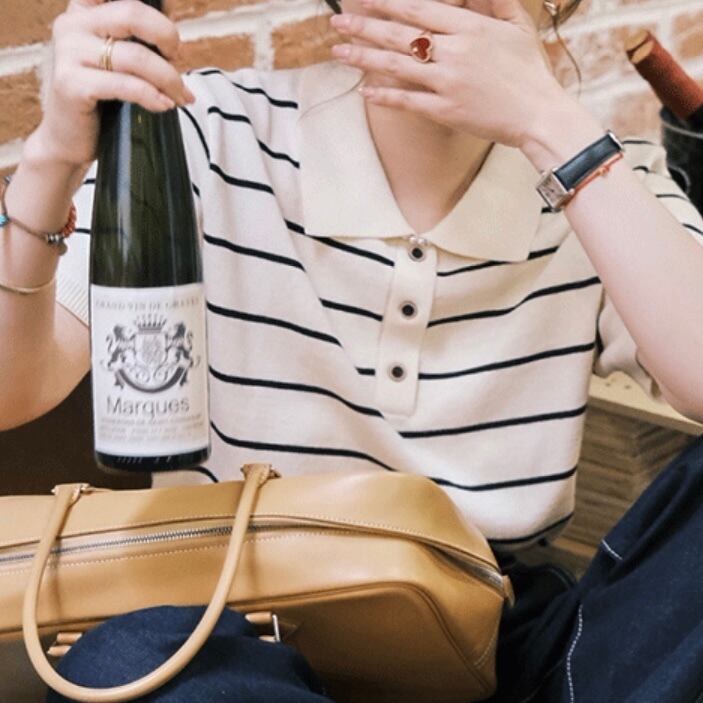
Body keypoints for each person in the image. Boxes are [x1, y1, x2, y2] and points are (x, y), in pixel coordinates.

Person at [2, 0, 703, 700]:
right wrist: (52, 156)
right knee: (132, 660)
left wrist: (550, 126)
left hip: (489, 645)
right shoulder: (207, 128)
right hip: (229, 626)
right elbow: (14, 390)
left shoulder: (601, 177)